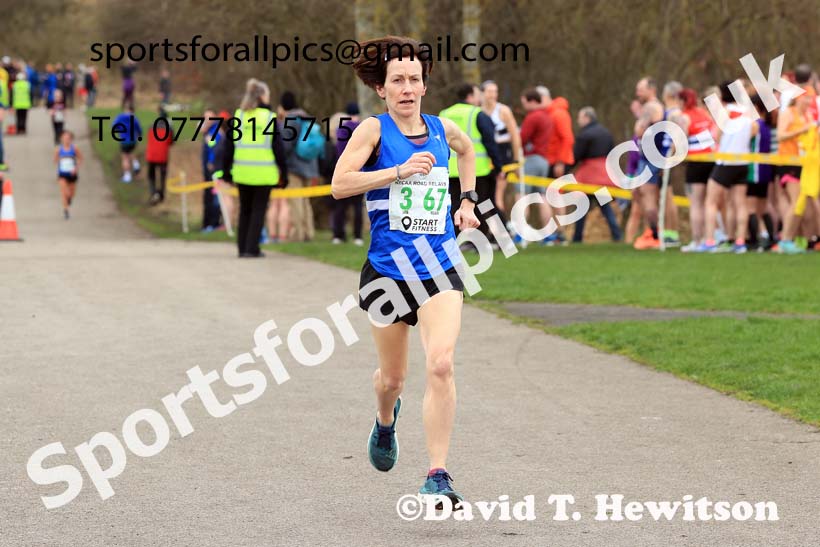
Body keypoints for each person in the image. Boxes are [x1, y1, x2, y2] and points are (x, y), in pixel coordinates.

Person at [332, 35, 480, 509]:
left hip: (439, 268)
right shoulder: (372, 132)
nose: (408, 88)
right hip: (385, 274)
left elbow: (469, 151)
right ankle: (384, 417)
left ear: (424, 84)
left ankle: (437, 473)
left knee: (441, 363)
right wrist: (397, 173)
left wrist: (468, 202)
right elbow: (339, 184)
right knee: (393, 379)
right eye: (398, 80)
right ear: (381, 88)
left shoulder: (442, 129)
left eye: (415, 79)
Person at [214, 78, 288, 258]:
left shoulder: (239, 116)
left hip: (242, 172)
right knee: (258, 210)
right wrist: (283, 173)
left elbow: (228, 147)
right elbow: (278, 149)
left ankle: (242, 247)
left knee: (245, 210)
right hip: (264, 173)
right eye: (268, 95)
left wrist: (225, 171)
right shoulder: (269, 118)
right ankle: (252, 248)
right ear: (262, 96)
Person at [696, 81, 759, 253]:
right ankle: (739, 241)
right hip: (742, 162)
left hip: (725, 162)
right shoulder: (748, 113)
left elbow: (716, 136)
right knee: (740, 203)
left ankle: (709, 241)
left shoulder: (724, 112)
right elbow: (755, 130)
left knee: (711, 202)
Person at [439, 83, 503, 240]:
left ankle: (458, 240)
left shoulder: (444, 113)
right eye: (477, 94)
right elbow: (490, 142)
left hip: (450, 170)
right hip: (476, 170)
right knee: (484, 205)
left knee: (454, 206)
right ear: (470, 96)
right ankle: (495, 239)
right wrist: (499, 166)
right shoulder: (477, 114)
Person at [571, 107, 622, 242]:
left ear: (587, 118)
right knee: (605, 207)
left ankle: (577, 238)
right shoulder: (606, 133)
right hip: (604, 175)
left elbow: (576, 156)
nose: (578, 120)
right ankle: (617, 235)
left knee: (582, 207)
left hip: (588, 175)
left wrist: (565, 170)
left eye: (580, 117)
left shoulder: (584, 135)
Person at [631, 77, 667, 250]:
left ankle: (654, 235)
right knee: (641, 194)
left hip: (651, 157)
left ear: (651, 90)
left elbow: (639, 130)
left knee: (648, 194)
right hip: (649, 156)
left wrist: (639, 121)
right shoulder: (653, 107)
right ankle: (652, 231)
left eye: (640, 89)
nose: (638, 93)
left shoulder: (651, 106)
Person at [680, 88, 717, 252]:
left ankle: (697, 240)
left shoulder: (684, 117)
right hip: (710, 159)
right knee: (708, 202)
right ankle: (709, 238)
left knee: (696, 203)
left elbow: (679, 141)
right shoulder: (704, 113)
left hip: (695, 162)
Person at [515, 87, 554, 246]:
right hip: (543, 160)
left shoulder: (533, 117)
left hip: (531, 159)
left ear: (532, 101)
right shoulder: (547, 116)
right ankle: (548, 234)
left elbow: (521, 139)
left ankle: (521, 233)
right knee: (542, 197)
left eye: (524, 102)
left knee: (522, 196)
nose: (523, 106)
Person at [279, 91, 319, 242]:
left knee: (295, 201)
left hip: (294, 168)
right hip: (310, 166)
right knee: (306, 202)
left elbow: (286, 146)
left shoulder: (290, 120)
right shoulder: (307, 118)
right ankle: (309, 232)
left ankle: (298, 234)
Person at [480, 80, 521, 216]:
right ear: (482, 93)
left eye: (495, 92)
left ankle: (500, 230)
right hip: (484, 158)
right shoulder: (478, 111)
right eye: (489, 92)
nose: (492, 95)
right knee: (485, 196)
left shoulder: (503, 111)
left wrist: (516, 161)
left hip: (502, 156)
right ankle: (491, 229)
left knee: (497, 195)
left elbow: (515, 136)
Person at [746, 94, 776, 250]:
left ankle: (754, 240)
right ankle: (771, 238)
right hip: (765, 170)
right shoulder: (767, 124)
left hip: (754, 170)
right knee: (762, 207)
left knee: (751, 207)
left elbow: (744, 143)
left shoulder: (755, 125)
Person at [331, 102, 363, 245]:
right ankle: (358, 236)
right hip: (360, 171)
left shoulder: (341, 129)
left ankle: (339, 235)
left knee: (341, 206)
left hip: (344, 170)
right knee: (357, 207)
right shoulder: (364, 128)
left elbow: (339, 151)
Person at [201, 110, 223, 231]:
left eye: (209, 118)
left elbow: (215, 147)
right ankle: (207, 223)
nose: (206, 120)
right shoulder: (208, 131)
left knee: (214, 197)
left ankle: (213, 223)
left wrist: (212, 162)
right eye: (204, 118)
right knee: (208, 197)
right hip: (207, 169)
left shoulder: (216, 131)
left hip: (214, 169)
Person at [145, 111, 173, 205]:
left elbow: (148, 139)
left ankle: (153, 193)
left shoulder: (151, 127)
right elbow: (170, 142)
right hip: (162, 157)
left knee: (151, 175)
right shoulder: (169, 129)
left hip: (151, 155)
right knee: (162, 176)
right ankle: (161, 195)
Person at [54, 130, 82, 220]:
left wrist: (76, 168)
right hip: (62, 173)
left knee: (71, 193)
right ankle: (66, 210)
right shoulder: (59, 149)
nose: (66, 140)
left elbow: (80, 159)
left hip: (72, 173)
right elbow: (55, 160)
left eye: (68, 138)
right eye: (65, 138)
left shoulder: (75, 149)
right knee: (64, 192)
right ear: (61, 139)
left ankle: (69, 199)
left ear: (71, 139)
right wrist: (60, 161)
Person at [113, 105, 143, 183]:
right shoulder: (134, 118)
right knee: (131, 153)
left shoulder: (120, 117)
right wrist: (139, 136)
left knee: (125, 157)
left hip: (124, 140)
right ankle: (136, 165)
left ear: (126, 109)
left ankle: (127, 176)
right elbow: (139, 130)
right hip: (133, 141)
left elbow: (114, 126)